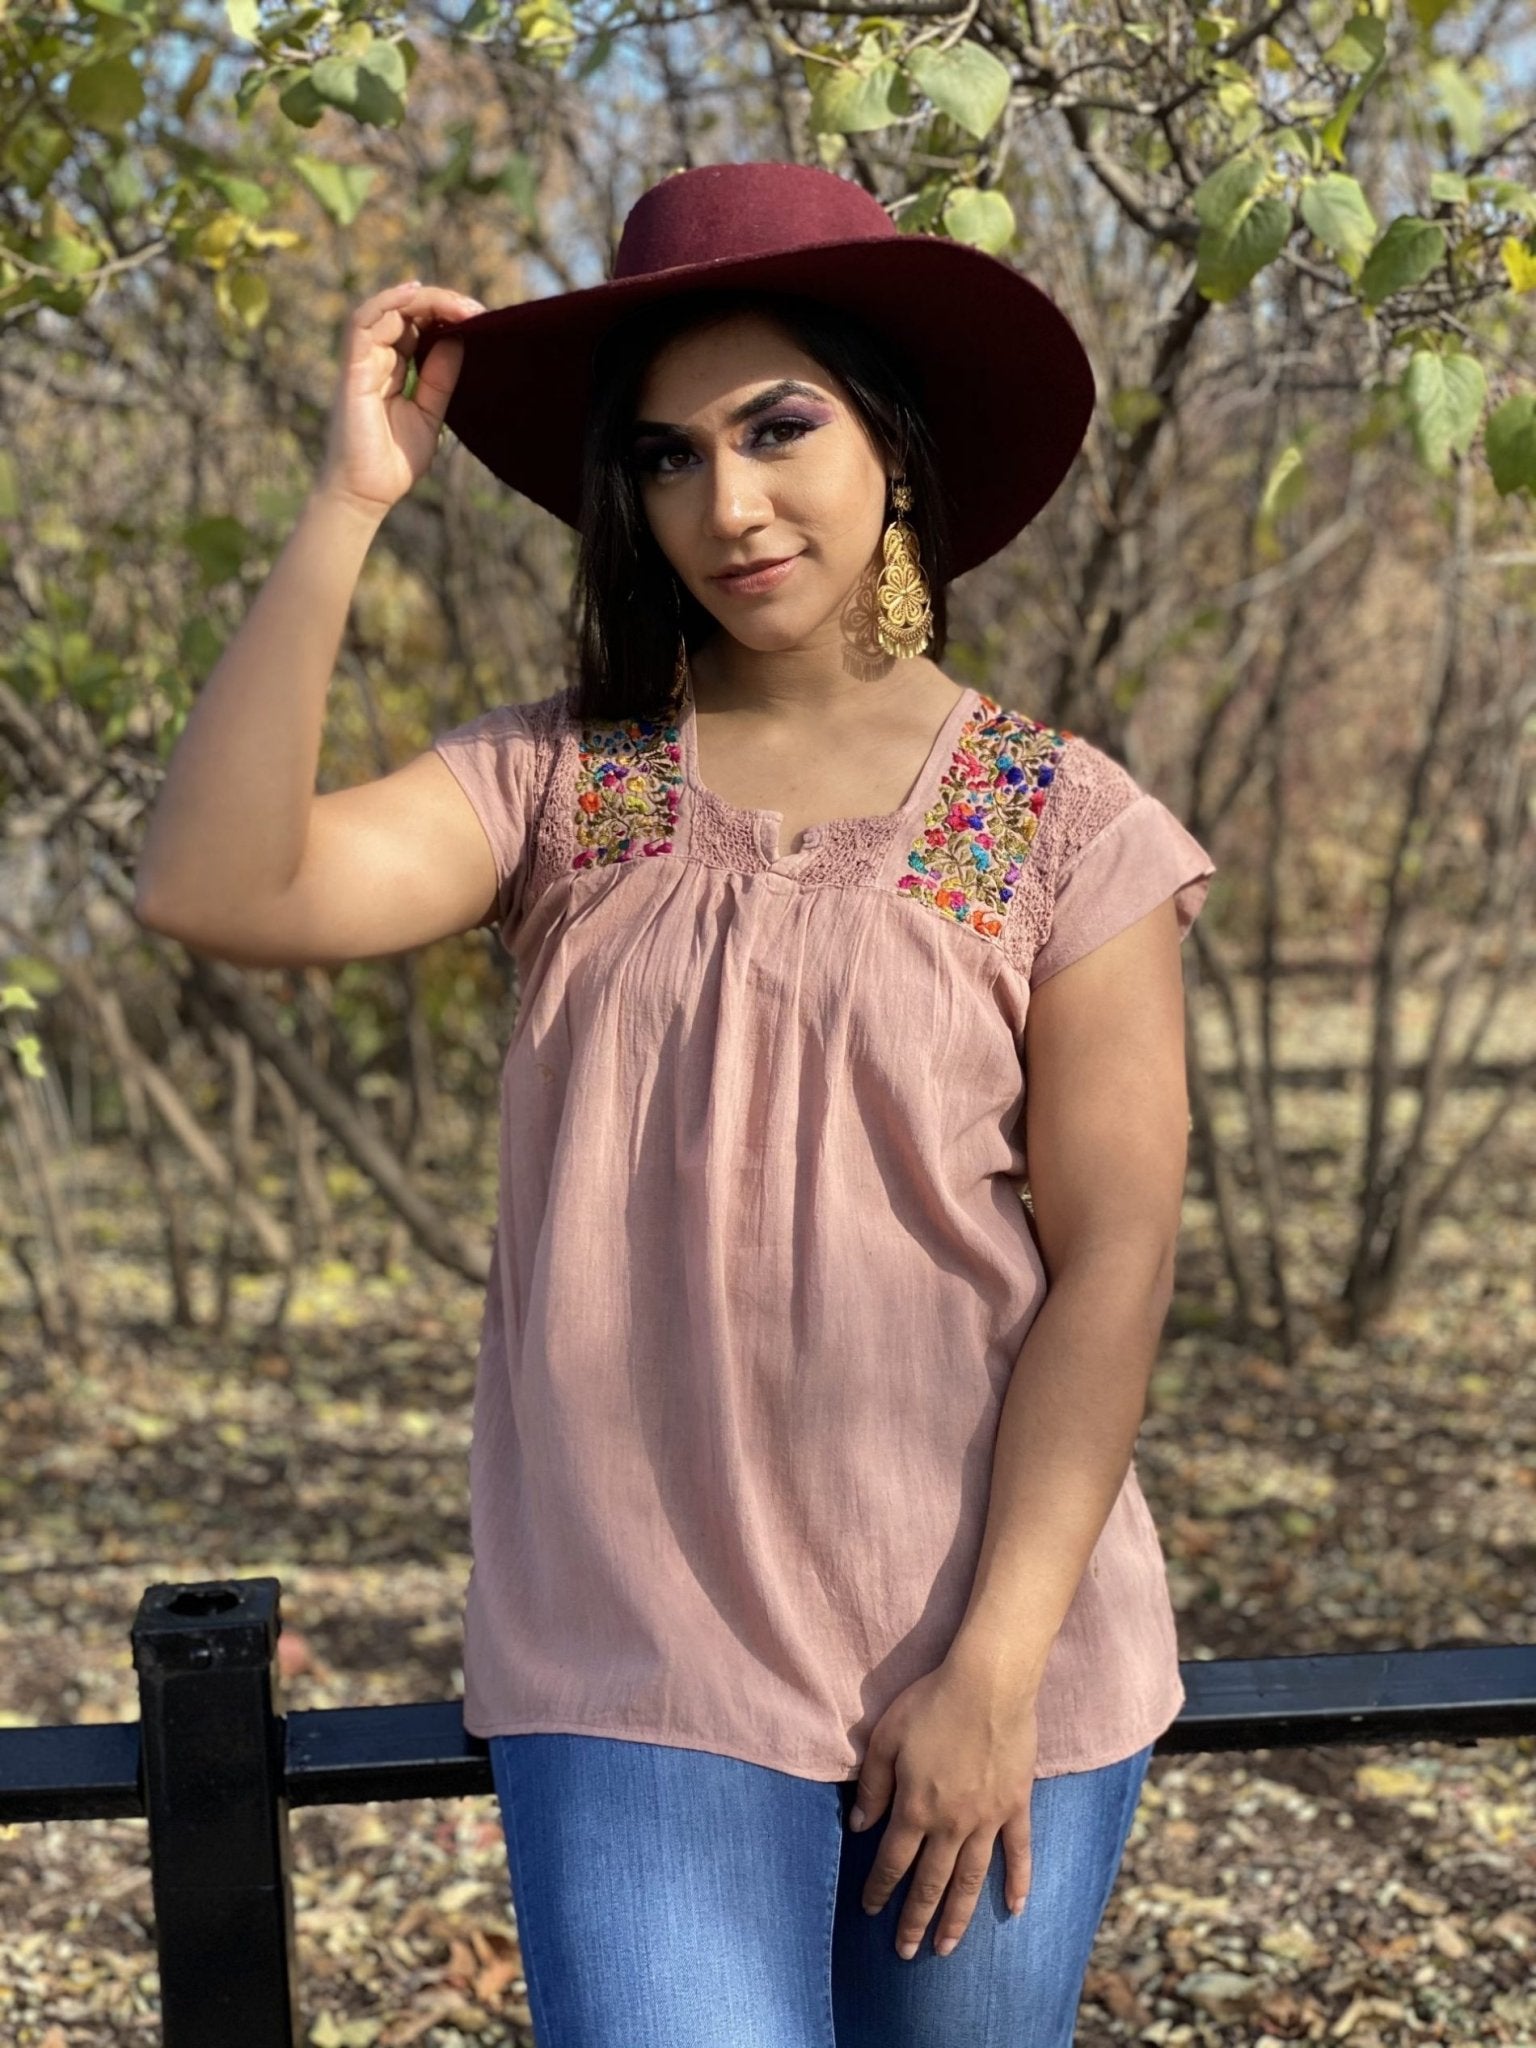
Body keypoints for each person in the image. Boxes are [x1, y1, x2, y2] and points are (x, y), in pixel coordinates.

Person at [134, 159, 1217, 2047]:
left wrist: (995, 1666)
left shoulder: (1056, 821)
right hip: (636, 1668)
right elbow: (218, 888)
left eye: (778, 429)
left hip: (994, 1658)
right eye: (662, 458)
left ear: (889, 439)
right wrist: (347, 503)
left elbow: (1115, 1253)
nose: (726, 503)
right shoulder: (562, 787)